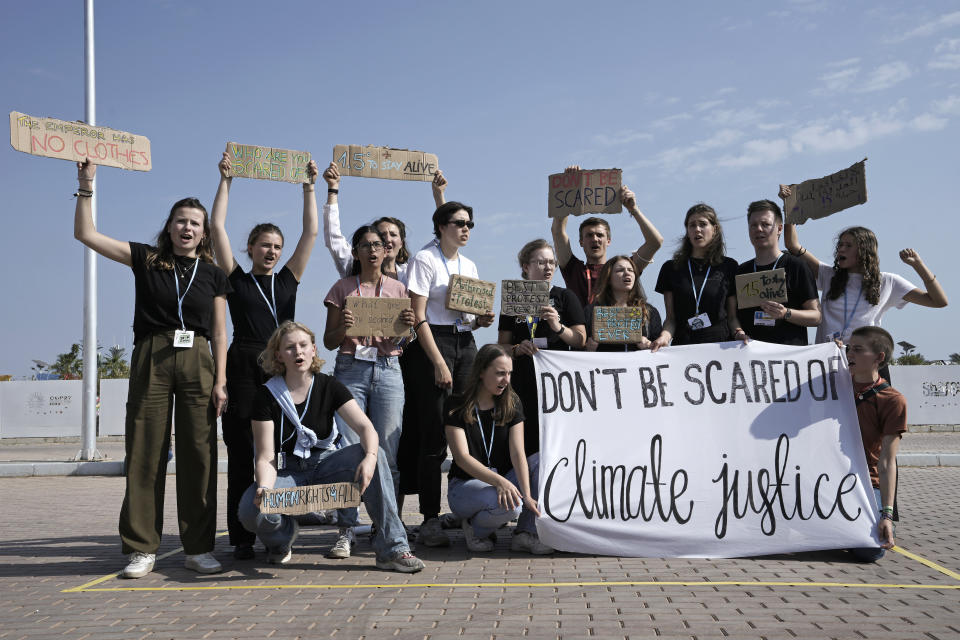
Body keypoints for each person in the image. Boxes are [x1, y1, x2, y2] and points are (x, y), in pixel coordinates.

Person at [73, 160, 229, 578]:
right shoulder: (147, 258)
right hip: (152, 353)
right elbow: (85, 234)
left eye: (195, 223)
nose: (187, 228)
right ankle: (141, 548)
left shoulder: (213, 274)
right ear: (170, 225)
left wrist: (222, 381)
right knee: (145, 451)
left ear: (204, 232)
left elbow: (219, 332)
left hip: (199, 358)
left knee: (200, 452)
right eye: (181, 221)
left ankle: (198, 547)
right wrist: (86, 186)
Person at [237, 321, 424, 572]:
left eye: (303, 345)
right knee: (251, 511)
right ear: (279, 355)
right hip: (288, 471)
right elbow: (265, 456)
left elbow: (366, 429)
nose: (298, 352)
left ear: (314, 349)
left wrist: (368, 457)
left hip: (326, 464)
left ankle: (393, 549)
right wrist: (264, 488)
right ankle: (282, 539)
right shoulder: (266, 395)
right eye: (290, 348)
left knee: (376, 455)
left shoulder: (329, 385)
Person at [210, 152, 320, 560]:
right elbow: (215, 226)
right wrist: (226, 181)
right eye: (264, 246)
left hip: (283, 368)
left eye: (276, 246)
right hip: (243, 367)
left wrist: (309, 188)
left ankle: (277, 530)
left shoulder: (289, 279)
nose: (271, 252)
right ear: (251, 249)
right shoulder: (236, 279)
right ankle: (240, 537)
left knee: (280, 452)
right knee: (241, 452)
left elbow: (310, 233)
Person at [405, 200, 496, 547]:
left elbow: (467, 315)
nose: (466, 229)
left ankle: (466, 509)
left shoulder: (469, 264)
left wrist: (481, 320)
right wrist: (438, 362)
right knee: (433, 435)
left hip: (465, 340)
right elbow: (418, 316)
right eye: (459, 223)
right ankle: (428, 517)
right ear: (441, 226)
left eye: (470, 223)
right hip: (434, 343)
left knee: (468, 425)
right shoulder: (425, 259)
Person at [322, 226, 416, 559]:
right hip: (350, 368)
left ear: (387, 250)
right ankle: (346, 529)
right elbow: (329, 341)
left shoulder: (398, 288)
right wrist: (345, 327)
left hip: (389, 369)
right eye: (366, 245)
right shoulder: (342, 287)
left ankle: (384, 528)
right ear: (356, 251)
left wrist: (408, 329)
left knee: (387, 453)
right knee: (351, 451)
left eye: (378, 245)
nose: (374, 250)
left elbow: (405, 339)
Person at [781, 185, 948, 346]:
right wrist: (789, 204)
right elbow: (793, 246)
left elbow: (938, 301)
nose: (841, 249)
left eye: (848, 245)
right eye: (840, 245)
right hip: (828, 359)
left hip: (866, 363)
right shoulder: (828, 274)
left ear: (864, 252)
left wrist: (918, 265)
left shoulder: (888, 282)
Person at [445, 344, 551, 554]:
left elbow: (517, 452)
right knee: (511, 506)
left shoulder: (511, 403)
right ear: (481, 372)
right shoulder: (456, 403)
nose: (506, 380)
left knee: (539, 460)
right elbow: (462, 457)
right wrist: (500, 482)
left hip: (500, 481)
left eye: (509, 373)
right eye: (500, 373)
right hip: (465, 485)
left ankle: (525, 533)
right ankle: (475, 528)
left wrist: (528, 495)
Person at [497, 239, 586, 456]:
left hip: (557, 382)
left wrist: (558, 326)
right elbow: (502, 347)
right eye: (540, 262)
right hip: (522, 381)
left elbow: (580, 339)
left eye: (551, 262)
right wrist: (517, 349)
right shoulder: (514, 298)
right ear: (526, 267)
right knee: (526, 440)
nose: (548, 267)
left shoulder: (565, 296)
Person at [551, 166, 663, 307]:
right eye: (589, 235)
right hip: (582, 329)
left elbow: (655, 242)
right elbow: (557, 231)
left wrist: (634, 210)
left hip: (615, 328)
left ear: (608, 241)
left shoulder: (623, 268)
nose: (595, 239)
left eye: (600, 235)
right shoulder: (573, 269)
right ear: (581, 242)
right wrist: (568, 188)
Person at [322, 165, 447, 284]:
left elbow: (445, 238)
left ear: (401, 243)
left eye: (393, 235)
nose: (388, 239)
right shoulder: (357, 266)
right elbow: (333, 237)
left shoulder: (410, 273)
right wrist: (333, 188)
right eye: (382, 235)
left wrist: (439, 195)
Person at [845, 326, 906, 561]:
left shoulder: (893, 400)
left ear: (879, 357)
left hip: (866, 484)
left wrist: (887, 515)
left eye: (858, 350)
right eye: (849, 349)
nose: (850, 354)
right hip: (827, 479)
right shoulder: (830, 387)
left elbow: (888, 462)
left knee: (870, 551)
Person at [651, 204, 748, 350]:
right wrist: (663, 337)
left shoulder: (729, 266)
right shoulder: (671, 268)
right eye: (692, 225)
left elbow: (732, 317)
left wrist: (739, 333)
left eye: (703, 224)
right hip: (684, 348)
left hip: (721, 348)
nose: (697, 229)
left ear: (714, 229)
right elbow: (671, 319)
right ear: (687, 231)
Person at [736, 199, 820, 345]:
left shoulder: (796, 266)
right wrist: (738, 332)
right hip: (751, 359)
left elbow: (816, 316)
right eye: (753, 225)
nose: (759, 229)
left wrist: (786, 313)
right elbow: (733, 316)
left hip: (787, 359)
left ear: (779, 229)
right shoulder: (741, 271)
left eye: (765, 224)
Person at [584, 256, 662, 352]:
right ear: (608, 278)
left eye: (631, 270)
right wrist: (588, 349)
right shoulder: (591, 312)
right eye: (620, 270)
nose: (627, 273)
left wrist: (650, 345)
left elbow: (661, 351)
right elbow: (576, 351)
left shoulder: (649, 312)